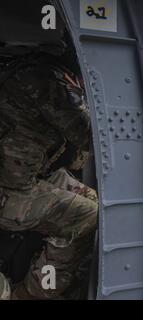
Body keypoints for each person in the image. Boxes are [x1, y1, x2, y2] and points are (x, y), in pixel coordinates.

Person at [0, 53, 98, 299]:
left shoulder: (25, 66)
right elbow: (93, 139)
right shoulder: (54, 83)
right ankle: (29, 293)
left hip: (16, 178)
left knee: (89, 196)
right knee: (90, 216)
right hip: (9, 195)